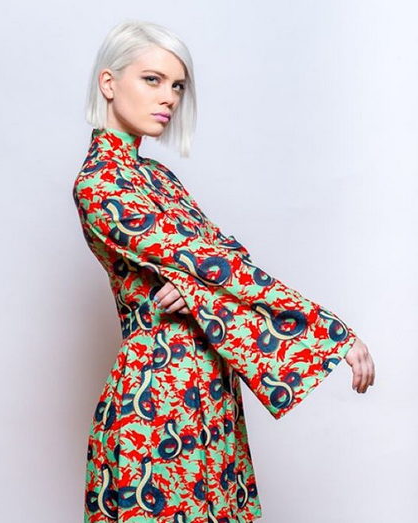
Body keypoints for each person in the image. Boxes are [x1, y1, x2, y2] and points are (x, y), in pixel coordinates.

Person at [73, 19, 375, 523]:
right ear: (109, 83)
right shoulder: (99, 183)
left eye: (177, 86)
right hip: (156, 400)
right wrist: (330, 333)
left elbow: (227, 257)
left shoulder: (159, 177)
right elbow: (214, 263)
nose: (168, 98)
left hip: (212, 395)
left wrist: (196, 280)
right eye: (152, 79)